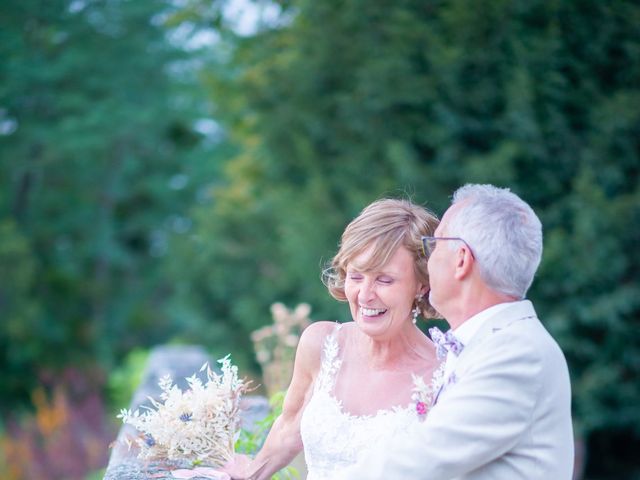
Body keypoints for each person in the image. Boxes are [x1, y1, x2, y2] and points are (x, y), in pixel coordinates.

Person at [333, 184, 574, 480]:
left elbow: (423, 459)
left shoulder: (518, 353)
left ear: (461, 260)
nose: (428, 259)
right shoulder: (491, 343)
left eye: (432, 246)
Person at [224, 198, 442, 480]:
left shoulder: (444, 373)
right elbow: (289, 428)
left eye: (384, 280)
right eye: (356, 276)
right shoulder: (321, 344)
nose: (364, 295)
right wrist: (248, 475)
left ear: (421, 284)